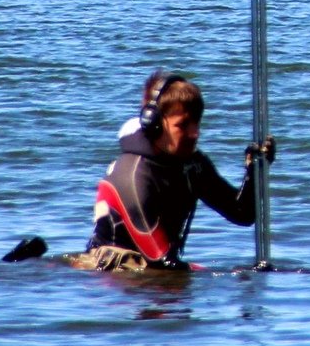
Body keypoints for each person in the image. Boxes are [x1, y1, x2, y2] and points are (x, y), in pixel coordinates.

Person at [85, 72, 270, 268]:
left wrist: (255, 170)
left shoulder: (192, 165)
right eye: (183, 125)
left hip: (156, 270)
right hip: (115, 280)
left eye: (197, 123)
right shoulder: (133, 175)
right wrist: (230, 274)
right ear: (154, 124)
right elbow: (161, 261)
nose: (195, 133)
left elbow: (242, 214)